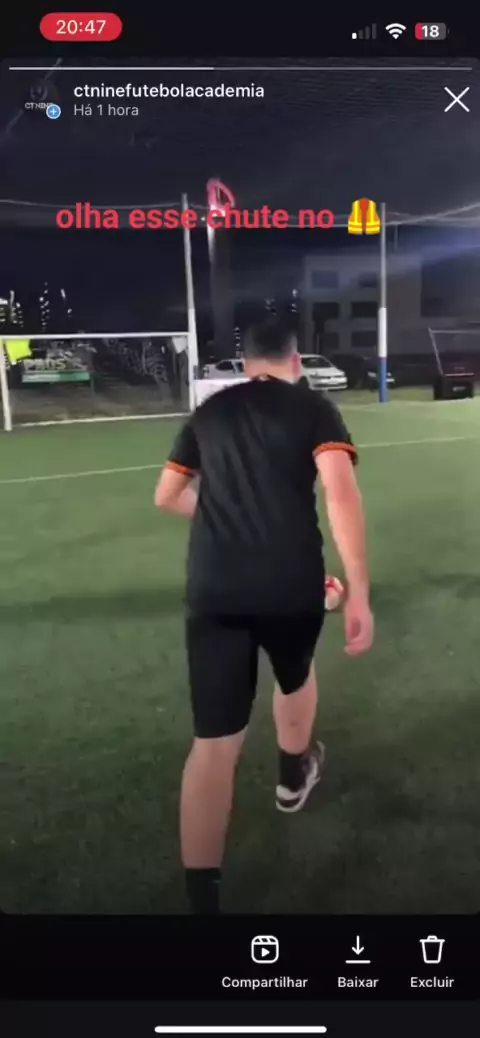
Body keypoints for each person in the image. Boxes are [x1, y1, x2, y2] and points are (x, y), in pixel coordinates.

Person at [155, 318, 374, 914]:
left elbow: (167, 495)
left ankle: (203, 903)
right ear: (295, 360)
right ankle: (291, 778)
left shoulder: (210, 414)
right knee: (295, 675)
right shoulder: (313, 409)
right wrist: (358, 591)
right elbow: (340, 494)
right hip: (290, 583)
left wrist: (222, 517)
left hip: (215, 588)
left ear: (246, 362)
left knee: (213, 744)